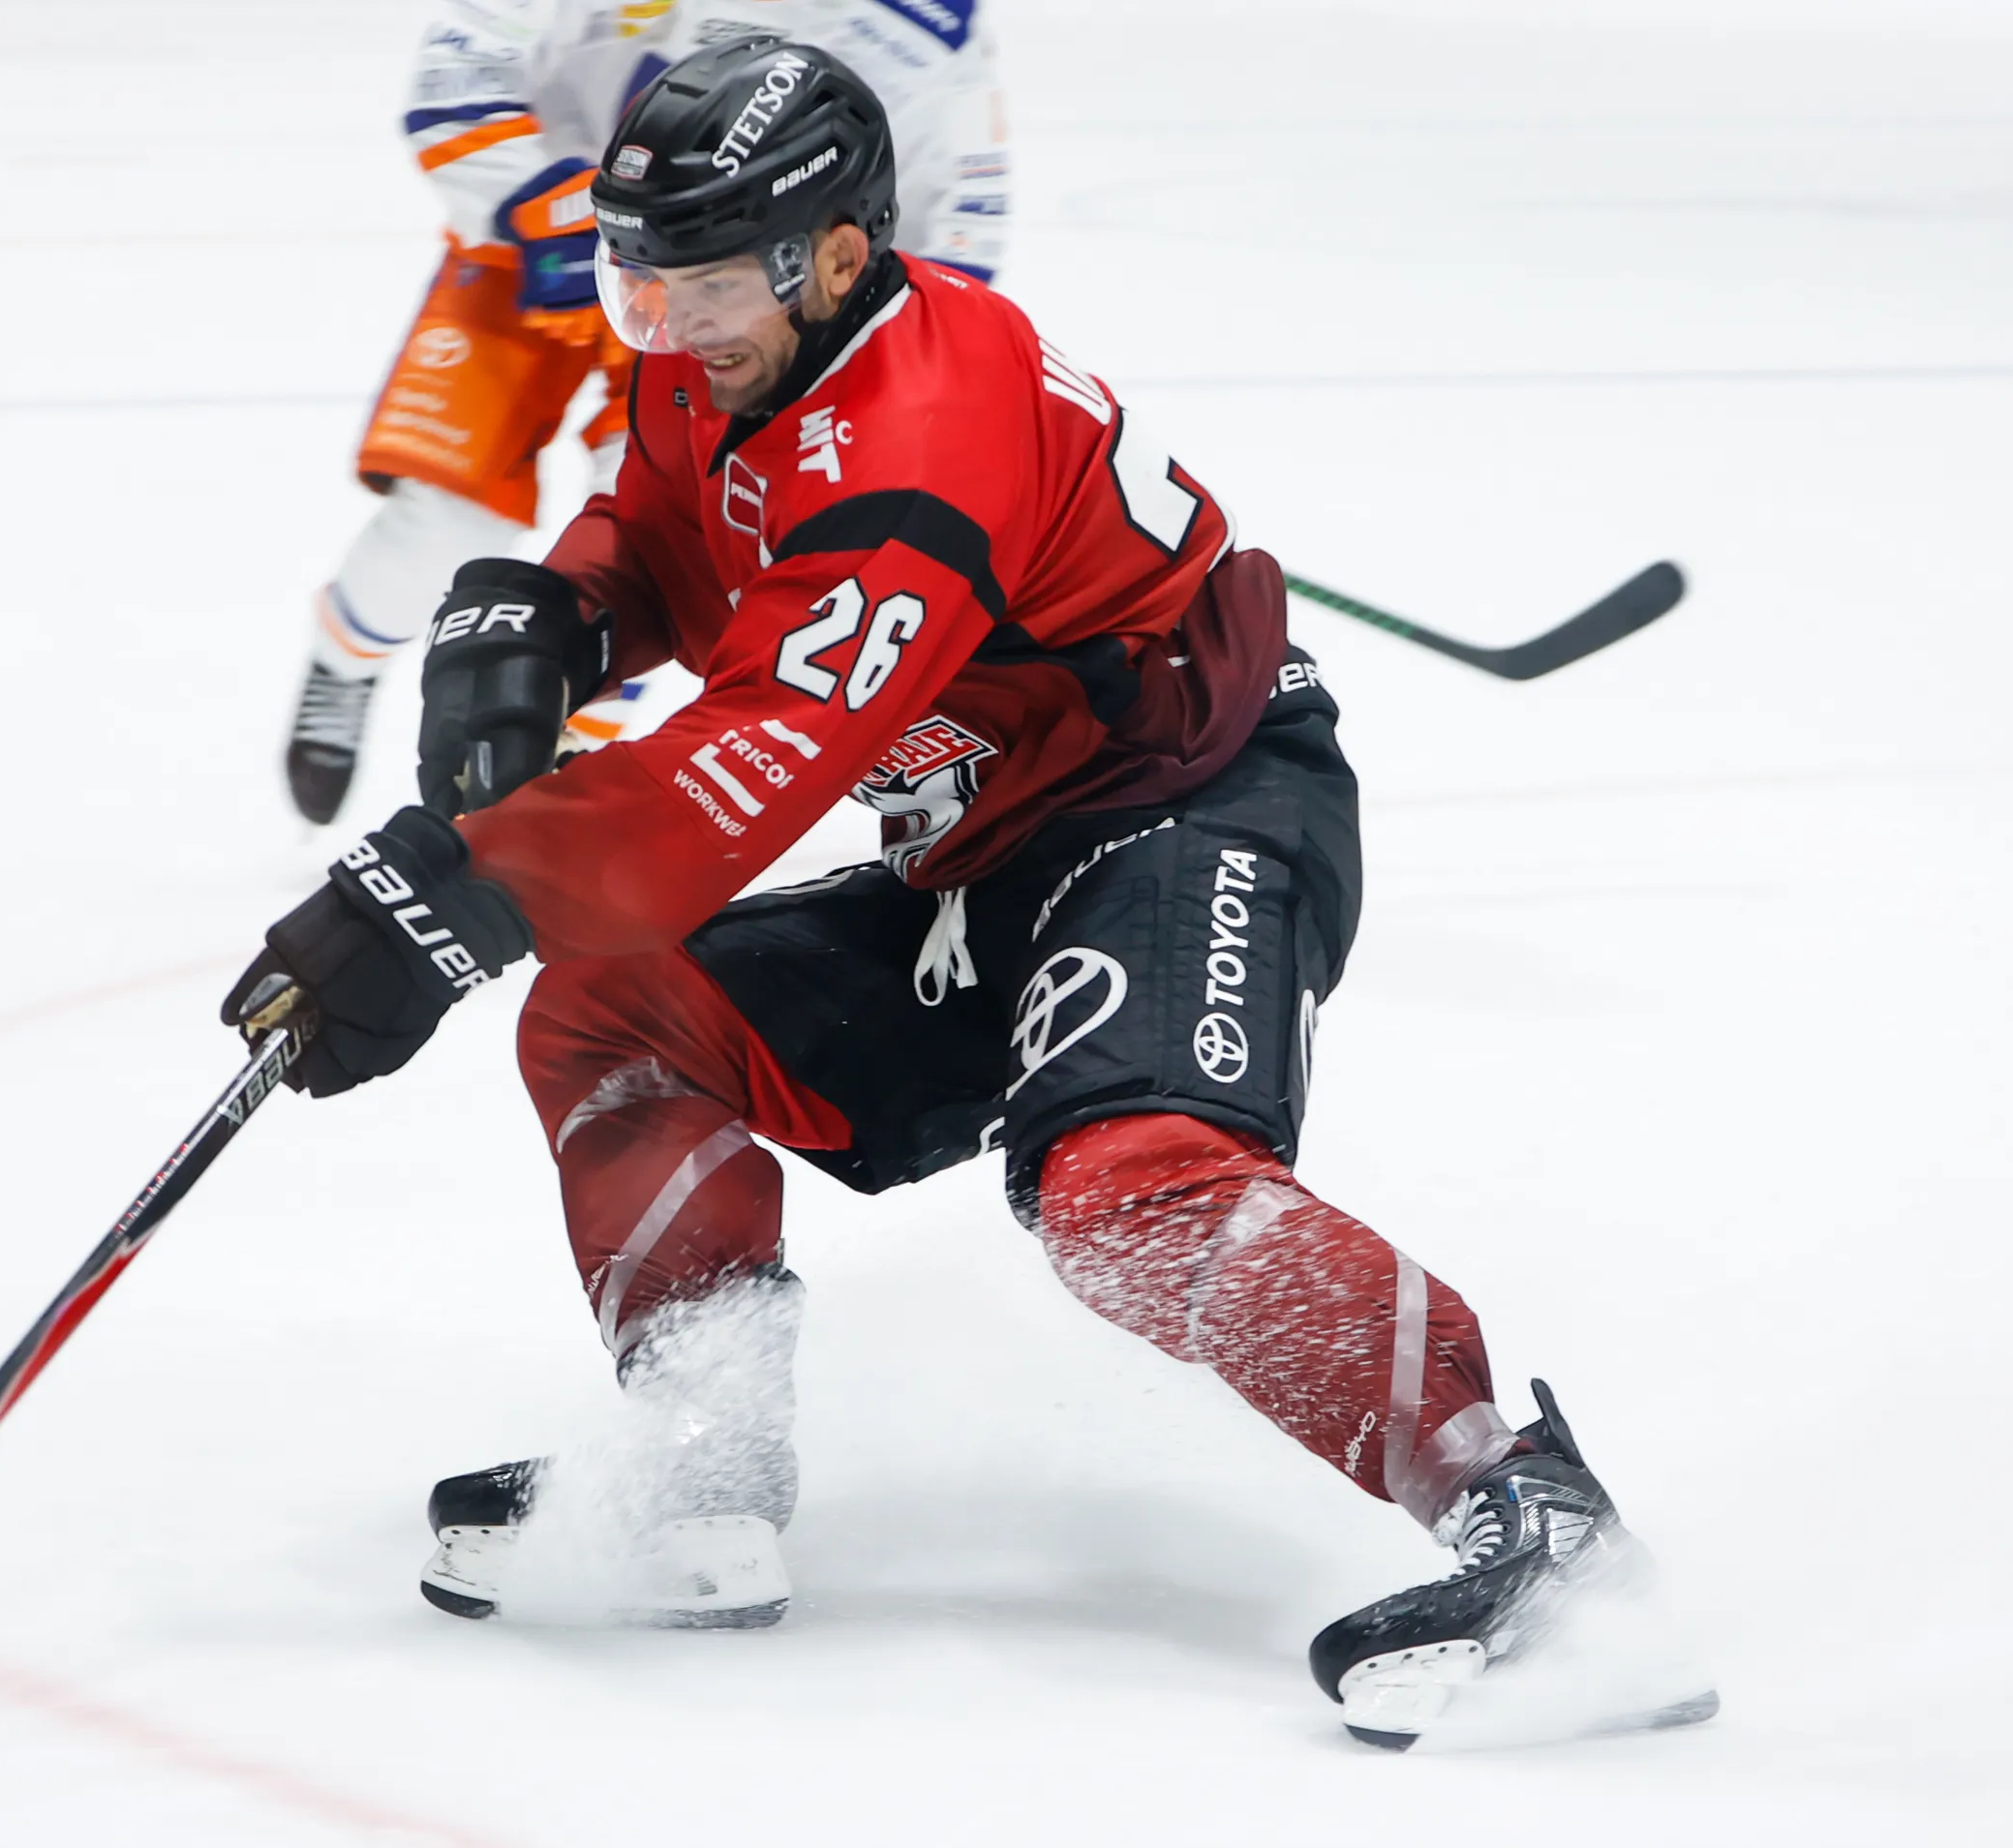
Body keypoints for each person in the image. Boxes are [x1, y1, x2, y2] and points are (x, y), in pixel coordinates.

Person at [216, 35, 1707, 1748]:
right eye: (644, 289)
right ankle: (703, 1459)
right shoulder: (725, 346)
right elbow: (662, 521)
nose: (671, 328)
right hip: (984, 852)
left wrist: (441, 897)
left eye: (703, 287)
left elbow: (731, 784)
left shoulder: (918, 447)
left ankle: (1543, 1537)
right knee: (611, 1011)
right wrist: (564, 614)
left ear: (839, 253)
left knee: (1122, 1185)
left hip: (1187, 811)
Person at [276, 0, 1009, 826]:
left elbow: (954, 215)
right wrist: (542, 208)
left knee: (656, 538)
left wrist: (845, 341)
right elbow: (462, 63)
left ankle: (542, 758)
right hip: (529, 247)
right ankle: (346, 654)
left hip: (731, 288)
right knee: (444, 521)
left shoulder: (918, 23)